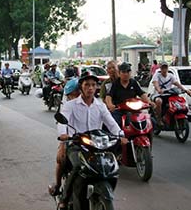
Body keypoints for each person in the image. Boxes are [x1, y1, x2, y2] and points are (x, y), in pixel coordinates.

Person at [49, 72, 126, 209]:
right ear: (81, 87)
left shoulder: (100, 105)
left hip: (97, 145)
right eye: (87, 85)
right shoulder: (70, 105)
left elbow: (111, 122)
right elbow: (62, 122)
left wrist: (120, 135)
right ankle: (64, 199)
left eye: (93, 85)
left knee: (111, 166)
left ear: (96, 87)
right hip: (76, 144)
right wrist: (63, 135)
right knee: (78, 166)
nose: (90, 88)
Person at [105, 62, 152, 127]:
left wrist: (149, 102)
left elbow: (141, 93)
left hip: (134, 110)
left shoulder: (133, 82)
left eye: (128, 72)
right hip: (119, 110)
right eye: (123, 72)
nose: (126, 74)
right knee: (115, 122)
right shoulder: (115, 84)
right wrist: (110, 105)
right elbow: (108, 96)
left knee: (150, 122)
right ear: (119, 73)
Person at [151, 62, 191, 126]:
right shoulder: (157, 75)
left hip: (169, 94)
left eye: (165, 68)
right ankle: (159, 119)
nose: (164, 69)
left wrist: (186, 90)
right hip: (159, 95)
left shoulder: (170, 76)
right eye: (163, 68)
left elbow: (178, 84)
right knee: (159, 101)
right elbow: (155, 84)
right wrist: (159, 90)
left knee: (177, 101)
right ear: (160, 68)